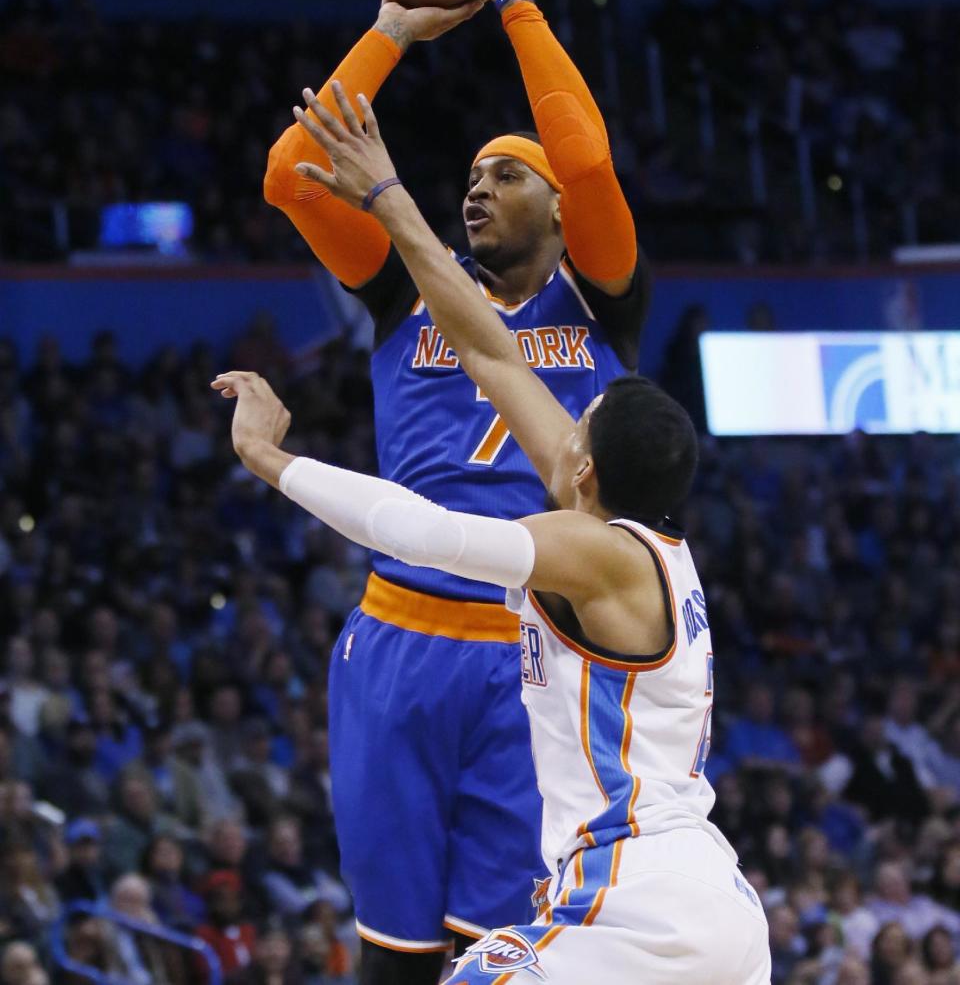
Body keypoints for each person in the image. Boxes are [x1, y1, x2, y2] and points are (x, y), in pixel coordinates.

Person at [212, 87, 770, 980]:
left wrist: (273, 462)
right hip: (711, 900)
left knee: (476, 970)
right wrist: (392, 201)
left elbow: (425, 530)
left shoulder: (585, 553)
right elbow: (494, 354)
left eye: (575, 428)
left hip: (634, 915)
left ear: (581, 469)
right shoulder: (640, 540)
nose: (561, 425)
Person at [262, 0, 649, 977]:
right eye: (471, 173)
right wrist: (390, 27)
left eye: (506, 175)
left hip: (533, 653)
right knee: (391, 955)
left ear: (561, 215)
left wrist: (516, 1)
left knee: (497, 957)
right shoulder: (407, 286)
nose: (479, 187)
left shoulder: (603, 296)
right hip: (401, 636)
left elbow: (584, 157)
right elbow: (293, 174)